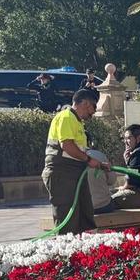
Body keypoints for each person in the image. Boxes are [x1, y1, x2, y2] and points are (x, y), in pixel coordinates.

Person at [43, 88, 106, 234]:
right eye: (93, 107)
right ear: (84, 103)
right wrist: (89, 160)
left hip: (75, 173)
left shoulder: (77, 122)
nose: (93, 112)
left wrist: (99, 163)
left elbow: (79, 149)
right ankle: (68, 252)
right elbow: (67, 145)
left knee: (85, 214)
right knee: (67, 217)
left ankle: (88, 251)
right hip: (62, 173)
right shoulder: (66, 117)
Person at [85, 138, 117, 214]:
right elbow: (112, 180)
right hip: (104, 206)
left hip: (82, 208)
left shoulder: (69, 158)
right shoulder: (99, 155)